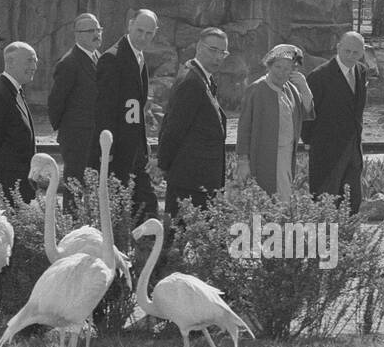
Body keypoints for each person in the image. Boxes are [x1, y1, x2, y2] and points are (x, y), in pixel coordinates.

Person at [157, 27, 229, 222]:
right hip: (190, 181)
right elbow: (173, 128)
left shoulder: (203, 78)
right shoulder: (192, 81)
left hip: (200, 180)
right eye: (212, 50)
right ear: (199, 47)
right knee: (179, 241)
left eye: (222, 52)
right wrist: (162, 164)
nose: (218, 57)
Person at [95, 8, 159, 221]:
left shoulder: (138, 57)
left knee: (145, 204)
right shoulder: (112, 59)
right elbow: (105, 109)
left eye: (149, 33)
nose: (143, 37)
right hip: (119, 150)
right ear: (130, 25)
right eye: (139, 30)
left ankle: (146, 249)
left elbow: (136, 108)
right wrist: (108, 151)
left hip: (135, 147)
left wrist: (143, 141)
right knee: (123, 208)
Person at [235, 44, 314, 196]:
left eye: (287, 68)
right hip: (263, 157)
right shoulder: (257, 89)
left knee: (283, 200)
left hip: (286, 155)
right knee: (266, 201)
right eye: (278, 67)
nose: (281, 72)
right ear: (269, 66)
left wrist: (304, 87)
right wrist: (243, 161)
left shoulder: (291, 89)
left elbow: (308, 111)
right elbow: (244, 127)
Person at [302, 30, 366, 214]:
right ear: (338, 48)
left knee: (352, 199)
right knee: (326, 199)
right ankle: (324, 241)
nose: (350, 56)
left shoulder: (361, 72)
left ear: (362, 52)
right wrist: (308, 142)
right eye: (347, 51)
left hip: (353, 147)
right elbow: (308, 112)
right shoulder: (319, 76)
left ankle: (350, 239)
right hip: (327, 150)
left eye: (356, 53)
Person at [48, 13, 102, 206]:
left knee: (92, 185)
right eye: (90, 31)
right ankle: (70, 227)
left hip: (95, 136)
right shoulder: (69, 63)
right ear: (77, 35)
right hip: (77, 136)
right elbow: (56, 101)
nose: (96, 34)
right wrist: (66, 131)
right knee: (75, 184)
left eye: (98, 29)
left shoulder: (98, 57)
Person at [0, 41, 38, 202]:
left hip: (16, 187)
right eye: (29, 60)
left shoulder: (13, 90)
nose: (34, 66)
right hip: (4, 188)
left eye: (35, 61)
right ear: (10, 62)